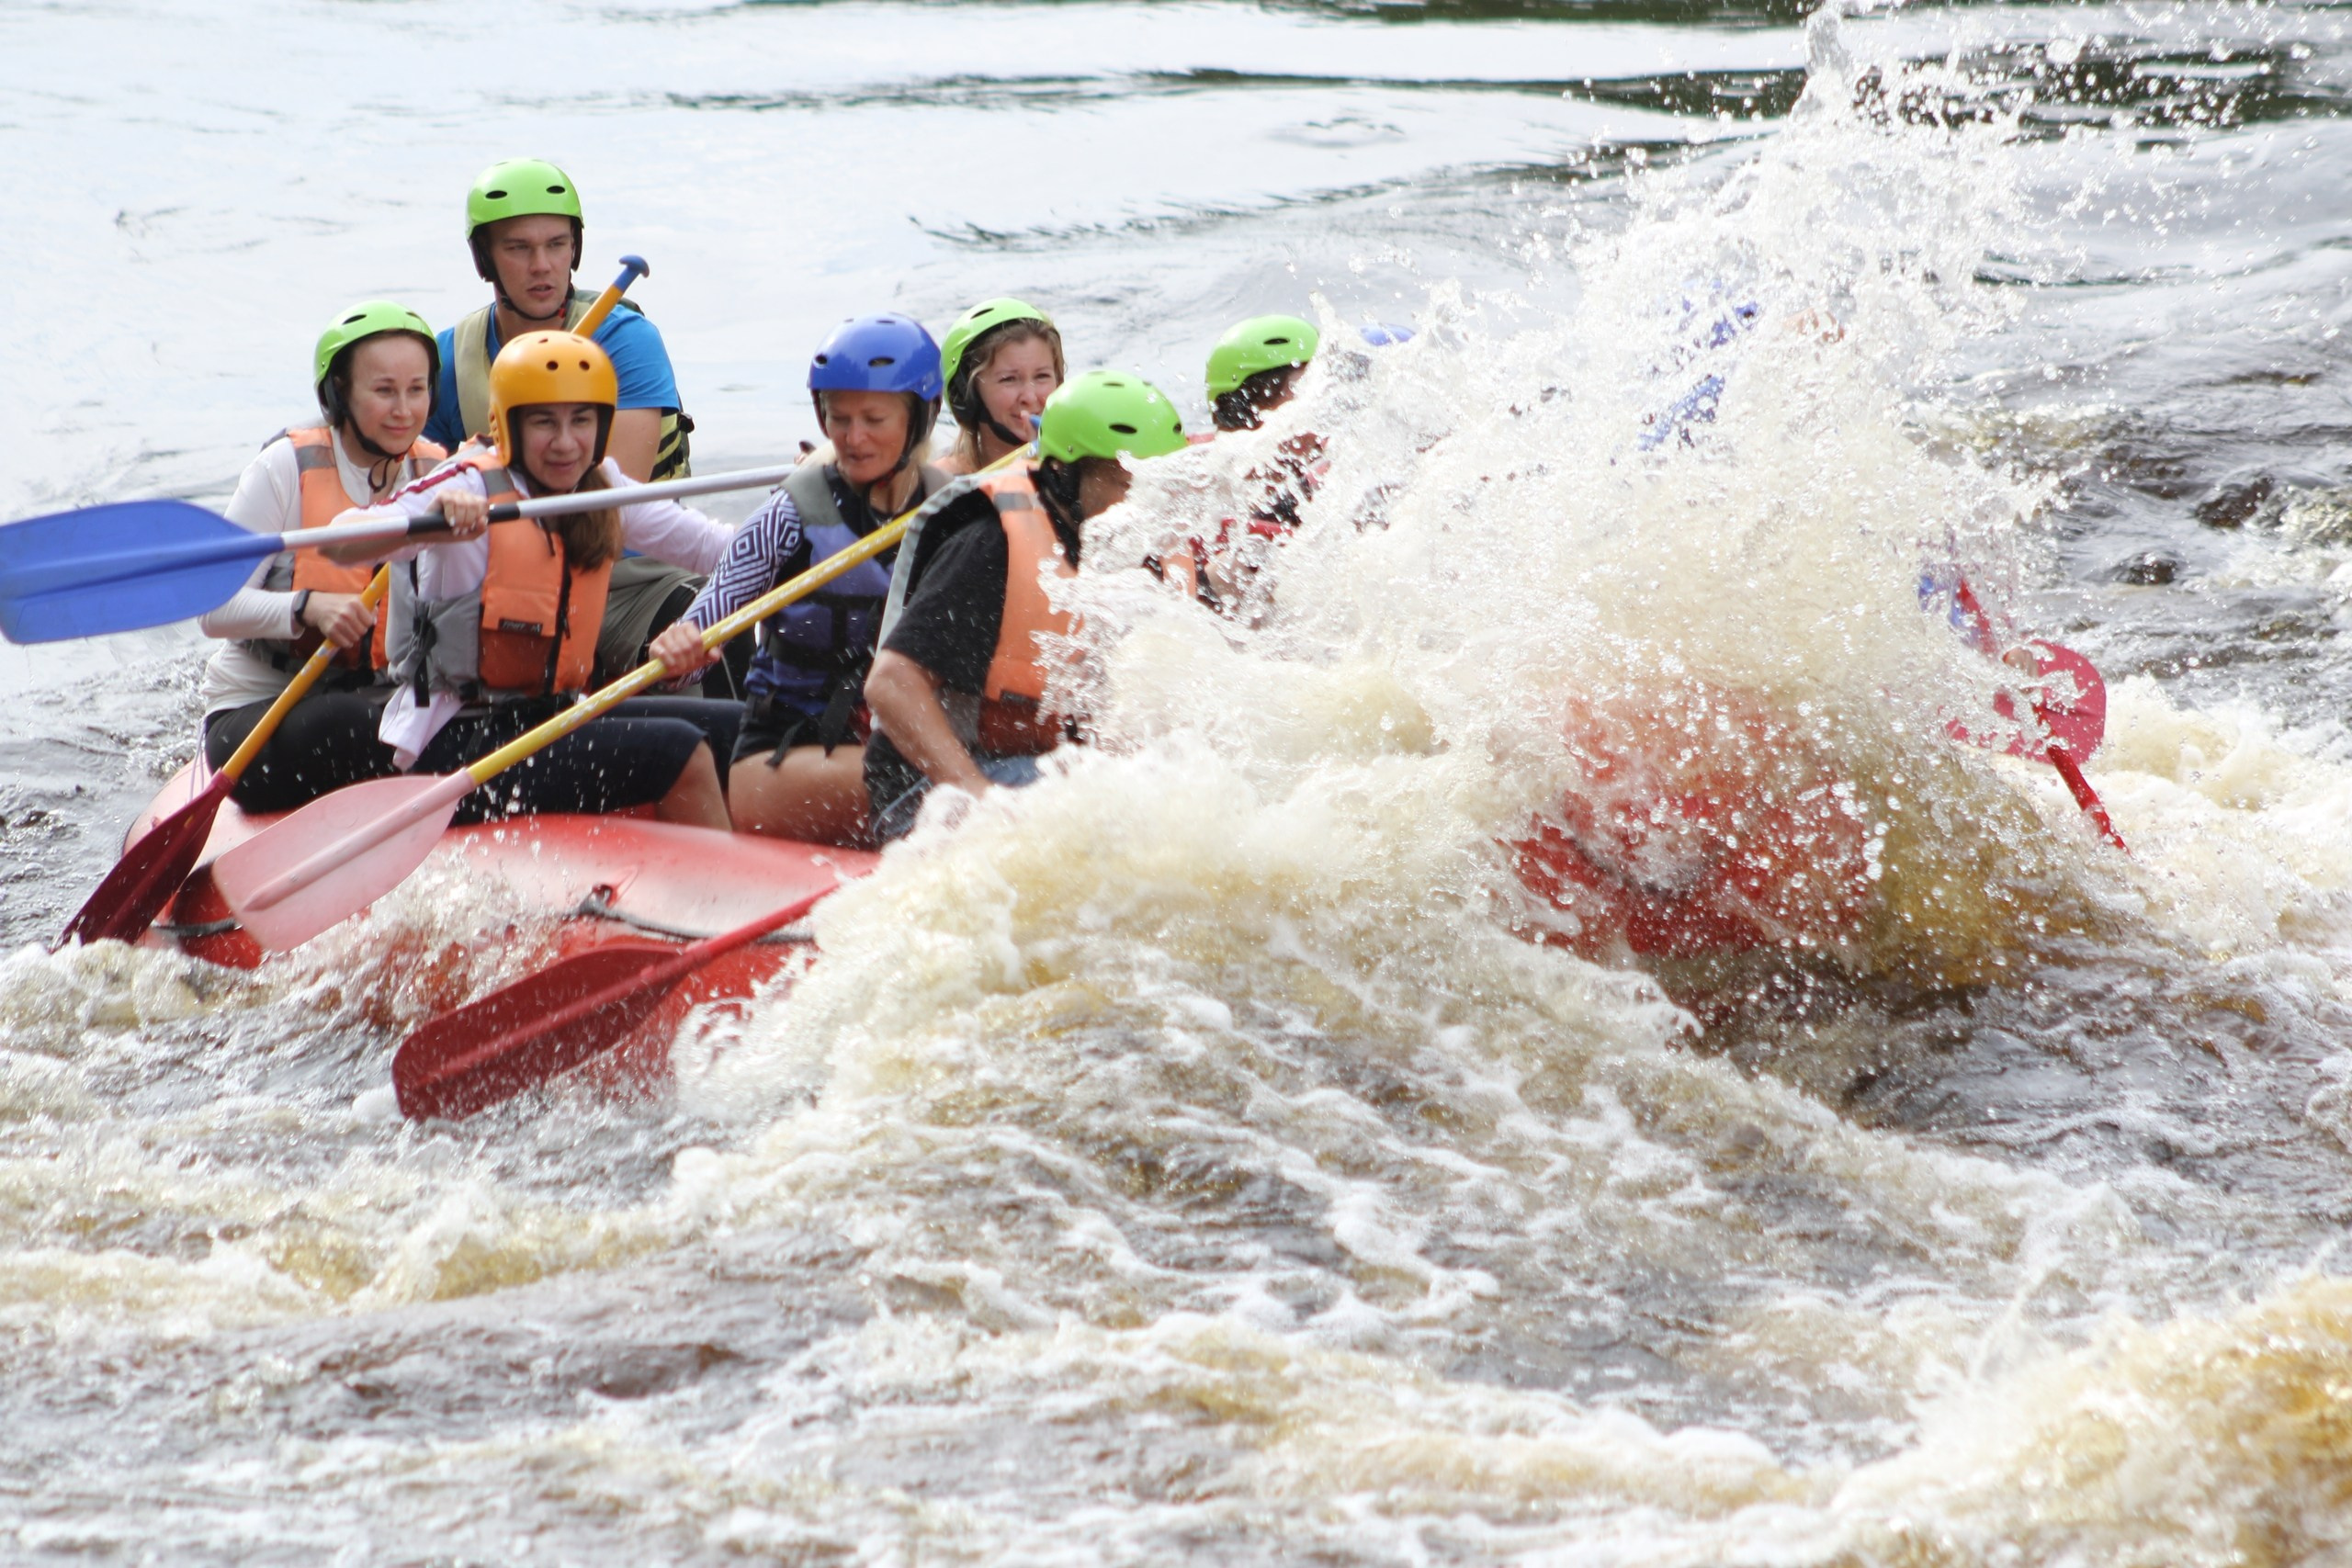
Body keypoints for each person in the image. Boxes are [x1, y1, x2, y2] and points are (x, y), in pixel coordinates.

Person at [328, 331, 738, 829]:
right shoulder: (467, 483)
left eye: (581, 421)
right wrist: (434, 516)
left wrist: (807, 507)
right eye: (545, 422)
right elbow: (339, 541)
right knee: (680, 750)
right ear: (508, 425)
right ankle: (716, 894)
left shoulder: (600, 486)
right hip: (460, 742)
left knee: (741, 728)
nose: (566, 443)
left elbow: (717, 547)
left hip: (555, 717)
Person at [649, 315, 948, 846]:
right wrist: (678, 651)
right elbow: (704, 622)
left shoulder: (953, 509)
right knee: (947, 786)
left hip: (903, 743)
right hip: (782, 762)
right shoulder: (790, 512)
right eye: (839, 418)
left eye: (874, 419)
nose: (853, 439)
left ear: (923, 417)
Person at [861, 371, 1186, 840]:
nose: (1146, 501)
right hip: (930, 790)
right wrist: (977, 794)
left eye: (1156, 483)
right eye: (1123, 481)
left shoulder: (1142, 548)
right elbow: (891, 685)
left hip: (1048, 766)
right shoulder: (989, 546)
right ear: (1064, 474)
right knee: (1124, 808)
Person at [423, 157, 702, 683]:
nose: (542, 265)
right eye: (518, 248)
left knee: (713, 632)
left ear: (575, 248)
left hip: (631, 578)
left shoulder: (626, 340)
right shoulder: (444, 360)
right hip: (502, 583)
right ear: (485, 260)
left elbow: (609, 501)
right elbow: (412, 489)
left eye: (556, 245)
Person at [197, 301, 447, 812]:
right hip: (261, 713)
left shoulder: (441, 473)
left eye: (416, 389)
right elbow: (212, 609)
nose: (404, 410)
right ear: (339, 394)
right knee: (349, 725)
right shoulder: (284, 468)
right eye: (384, 391)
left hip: (379, 694)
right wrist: (306, 607)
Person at [935, 298, 1064, 476]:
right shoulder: (939, 484)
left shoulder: (1087, 472)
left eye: (1042, 376)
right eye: (1009, 379)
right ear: (965, 395)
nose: (1030, 397)